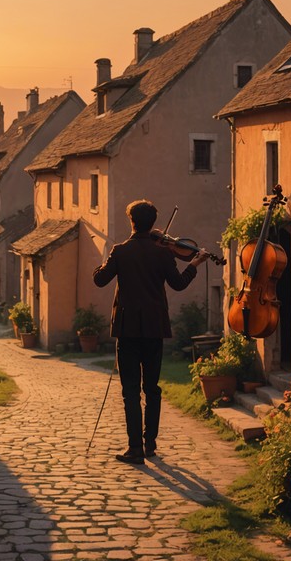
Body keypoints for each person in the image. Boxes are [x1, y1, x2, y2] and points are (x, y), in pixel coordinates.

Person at [93, 199, 209, 464]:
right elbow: (178, 284)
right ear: (153, 223)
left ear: (131, 221)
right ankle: (150, 445)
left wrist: (104, 261)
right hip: (155, 328)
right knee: (152, 388)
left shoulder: (120, 251)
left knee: (130, 391)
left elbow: (100, 280)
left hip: (127, 330)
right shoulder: (163, 253)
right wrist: (193, 265)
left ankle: (135, 448)